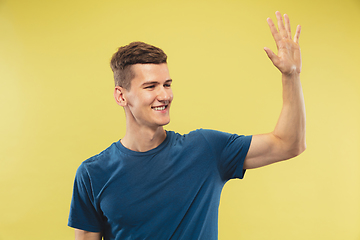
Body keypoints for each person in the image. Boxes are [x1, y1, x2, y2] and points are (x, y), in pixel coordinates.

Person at [68, 11, 306, 240]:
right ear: (121, 96)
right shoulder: (92, 174)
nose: (164, 95)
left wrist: (291, 76)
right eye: (151, 87)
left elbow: (288, 144)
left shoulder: (206, 150)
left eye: (167, 84)